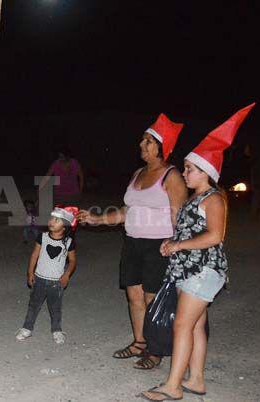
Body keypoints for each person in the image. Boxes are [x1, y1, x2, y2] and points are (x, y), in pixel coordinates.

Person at [141, 103, 254, 401]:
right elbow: (190, 231)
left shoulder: (214, 198)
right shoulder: (199, 197)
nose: (186, 173)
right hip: (191, 269)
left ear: (205, 172)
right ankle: (197, 380)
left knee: (182, 324)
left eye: (190, 169)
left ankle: (173, 385)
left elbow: (215, 235)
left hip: (202, 271)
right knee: (196, 326)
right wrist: (172, 243)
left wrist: (178, 245)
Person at [77, 114, 187, 369]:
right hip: (132, 243)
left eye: (148, 141)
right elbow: (127, 211)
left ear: (161, 147)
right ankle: (139, 342)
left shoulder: (172, 176)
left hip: (158, 245)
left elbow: (179, 217)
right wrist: (97, 219)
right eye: (143, 140)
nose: (141, 144)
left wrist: (175, 246)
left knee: (152, 298)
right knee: (134, 296)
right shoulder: (138, 173)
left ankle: (155, 348)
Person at [16, 206, 78, 344]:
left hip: (56, 283)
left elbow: (73, 261)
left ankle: (57, 330)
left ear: (65, 227)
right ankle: (27, 328)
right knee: (33, 305)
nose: (52, 221)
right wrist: (30, 272)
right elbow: (34, 255)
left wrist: (67, 274)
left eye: (57, 220)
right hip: (39, 279)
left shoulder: (68, 242)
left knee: (55, 308)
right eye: (51, 218)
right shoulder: (42, 237)